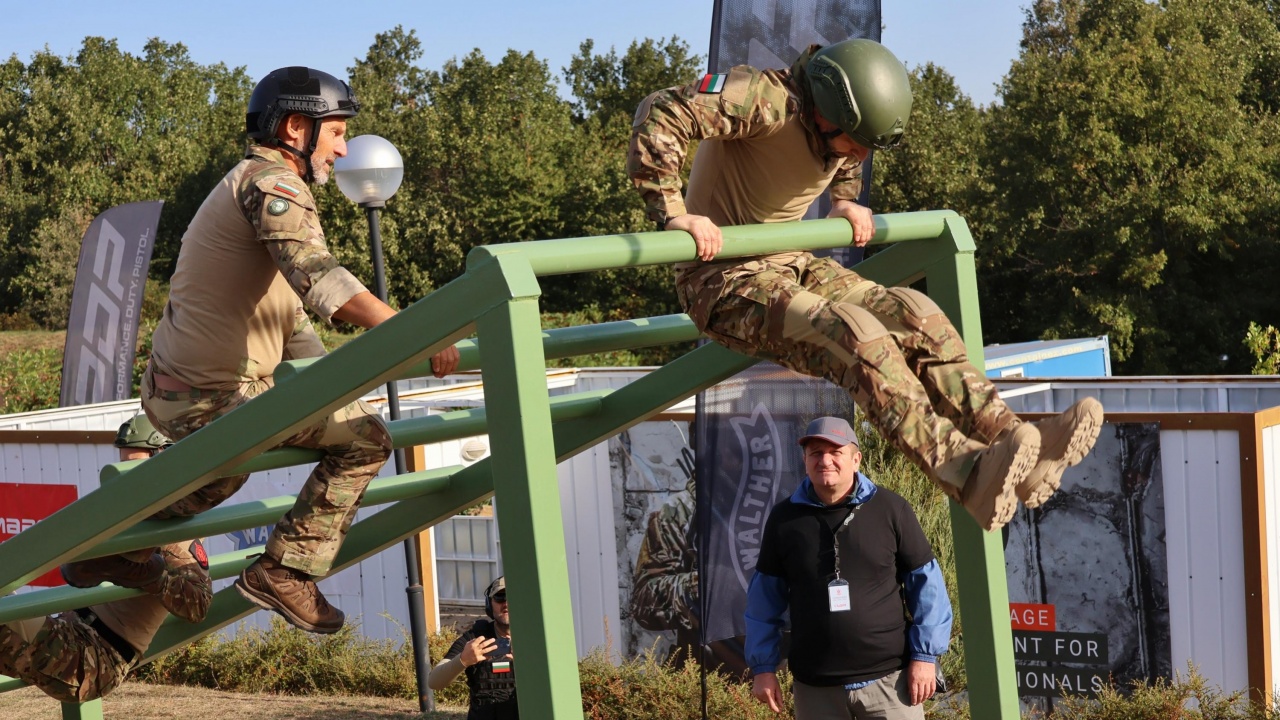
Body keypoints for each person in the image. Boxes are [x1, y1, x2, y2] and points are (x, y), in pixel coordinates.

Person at [627, 38, 1103, 531]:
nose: (859, 153)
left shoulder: (834, 128)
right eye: (854, 141)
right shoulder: (765, 102)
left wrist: (845, 198)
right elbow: (661, 109)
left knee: (915, 313)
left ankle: (1013, 440)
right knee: (853, 332)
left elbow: (845, 153)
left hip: (789, 262)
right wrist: (672, 212)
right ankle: (965, 473)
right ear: (824, 112)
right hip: (722, 280)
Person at [60, 66, 460, 635]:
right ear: (297, 127)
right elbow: (322, 279)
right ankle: (285, 571)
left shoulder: (251, 183)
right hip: (217, 394)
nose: (344, 150)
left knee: (220, 478)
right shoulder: (275, 185)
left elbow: (294, 320)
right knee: (367, 439)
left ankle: (102, 545)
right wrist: (420, 332)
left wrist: (336, 386)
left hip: (187, 392)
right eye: (338, 131)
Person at [745, 417, 952, 719]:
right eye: (816, 453)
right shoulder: (783, 519)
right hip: (816, 690)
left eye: (835, 452)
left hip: (890, 685)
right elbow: (764, 600)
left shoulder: (892, 510)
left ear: (856, 459)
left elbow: (928, 587)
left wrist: (924, 657)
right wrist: (763, 668)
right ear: (805, 461)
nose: (825, 460)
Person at [5, 418, 213, 704]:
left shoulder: (176, 532)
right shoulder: (124, 516)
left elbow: (198, 605)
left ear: (165, 458)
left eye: (138, 467)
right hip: (70, 633)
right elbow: (75, 570)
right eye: (124, 467)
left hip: (94, 659)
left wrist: (151, 577)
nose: (131, 479)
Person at [428, 576, 518, 719]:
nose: (506, 603)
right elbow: (434, 681)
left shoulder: (538, 640)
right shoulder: (475, 638)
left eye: (513, 596)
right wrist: (463, 660)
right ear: (489, 604)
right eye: (500, 597)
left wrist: (529, 669)